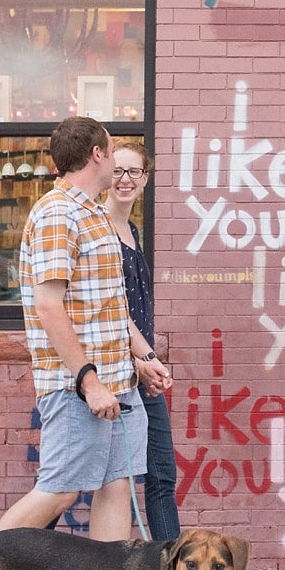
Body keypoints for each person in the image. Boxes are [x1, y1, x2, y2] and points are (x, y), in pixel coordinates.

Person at [0, 116, 170, 570]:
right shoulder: (56, 214)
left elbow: (111, 308)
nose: (118, 159)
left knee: (116, 485)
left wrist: (142, 358)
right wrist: (89, 381)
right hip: (78, 391)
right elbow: (49, 306)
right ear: (97, 153)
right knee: (59, 489)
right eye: (113, 149)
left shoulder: (95, 214)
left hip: (119, 387)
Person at [102, 141, 181, 543]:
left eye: (134, 172)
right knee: (66, 485)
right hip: (113, 371)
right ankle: (14, 568)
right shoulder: (98, 228)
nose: (125, 179)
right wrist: (145, 357)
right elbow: (112, 310)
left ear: (146, 179)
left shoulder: (132, 232)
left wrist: (145, 362)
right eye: (118, 170)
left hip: (140, 370)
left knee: (162, 476)